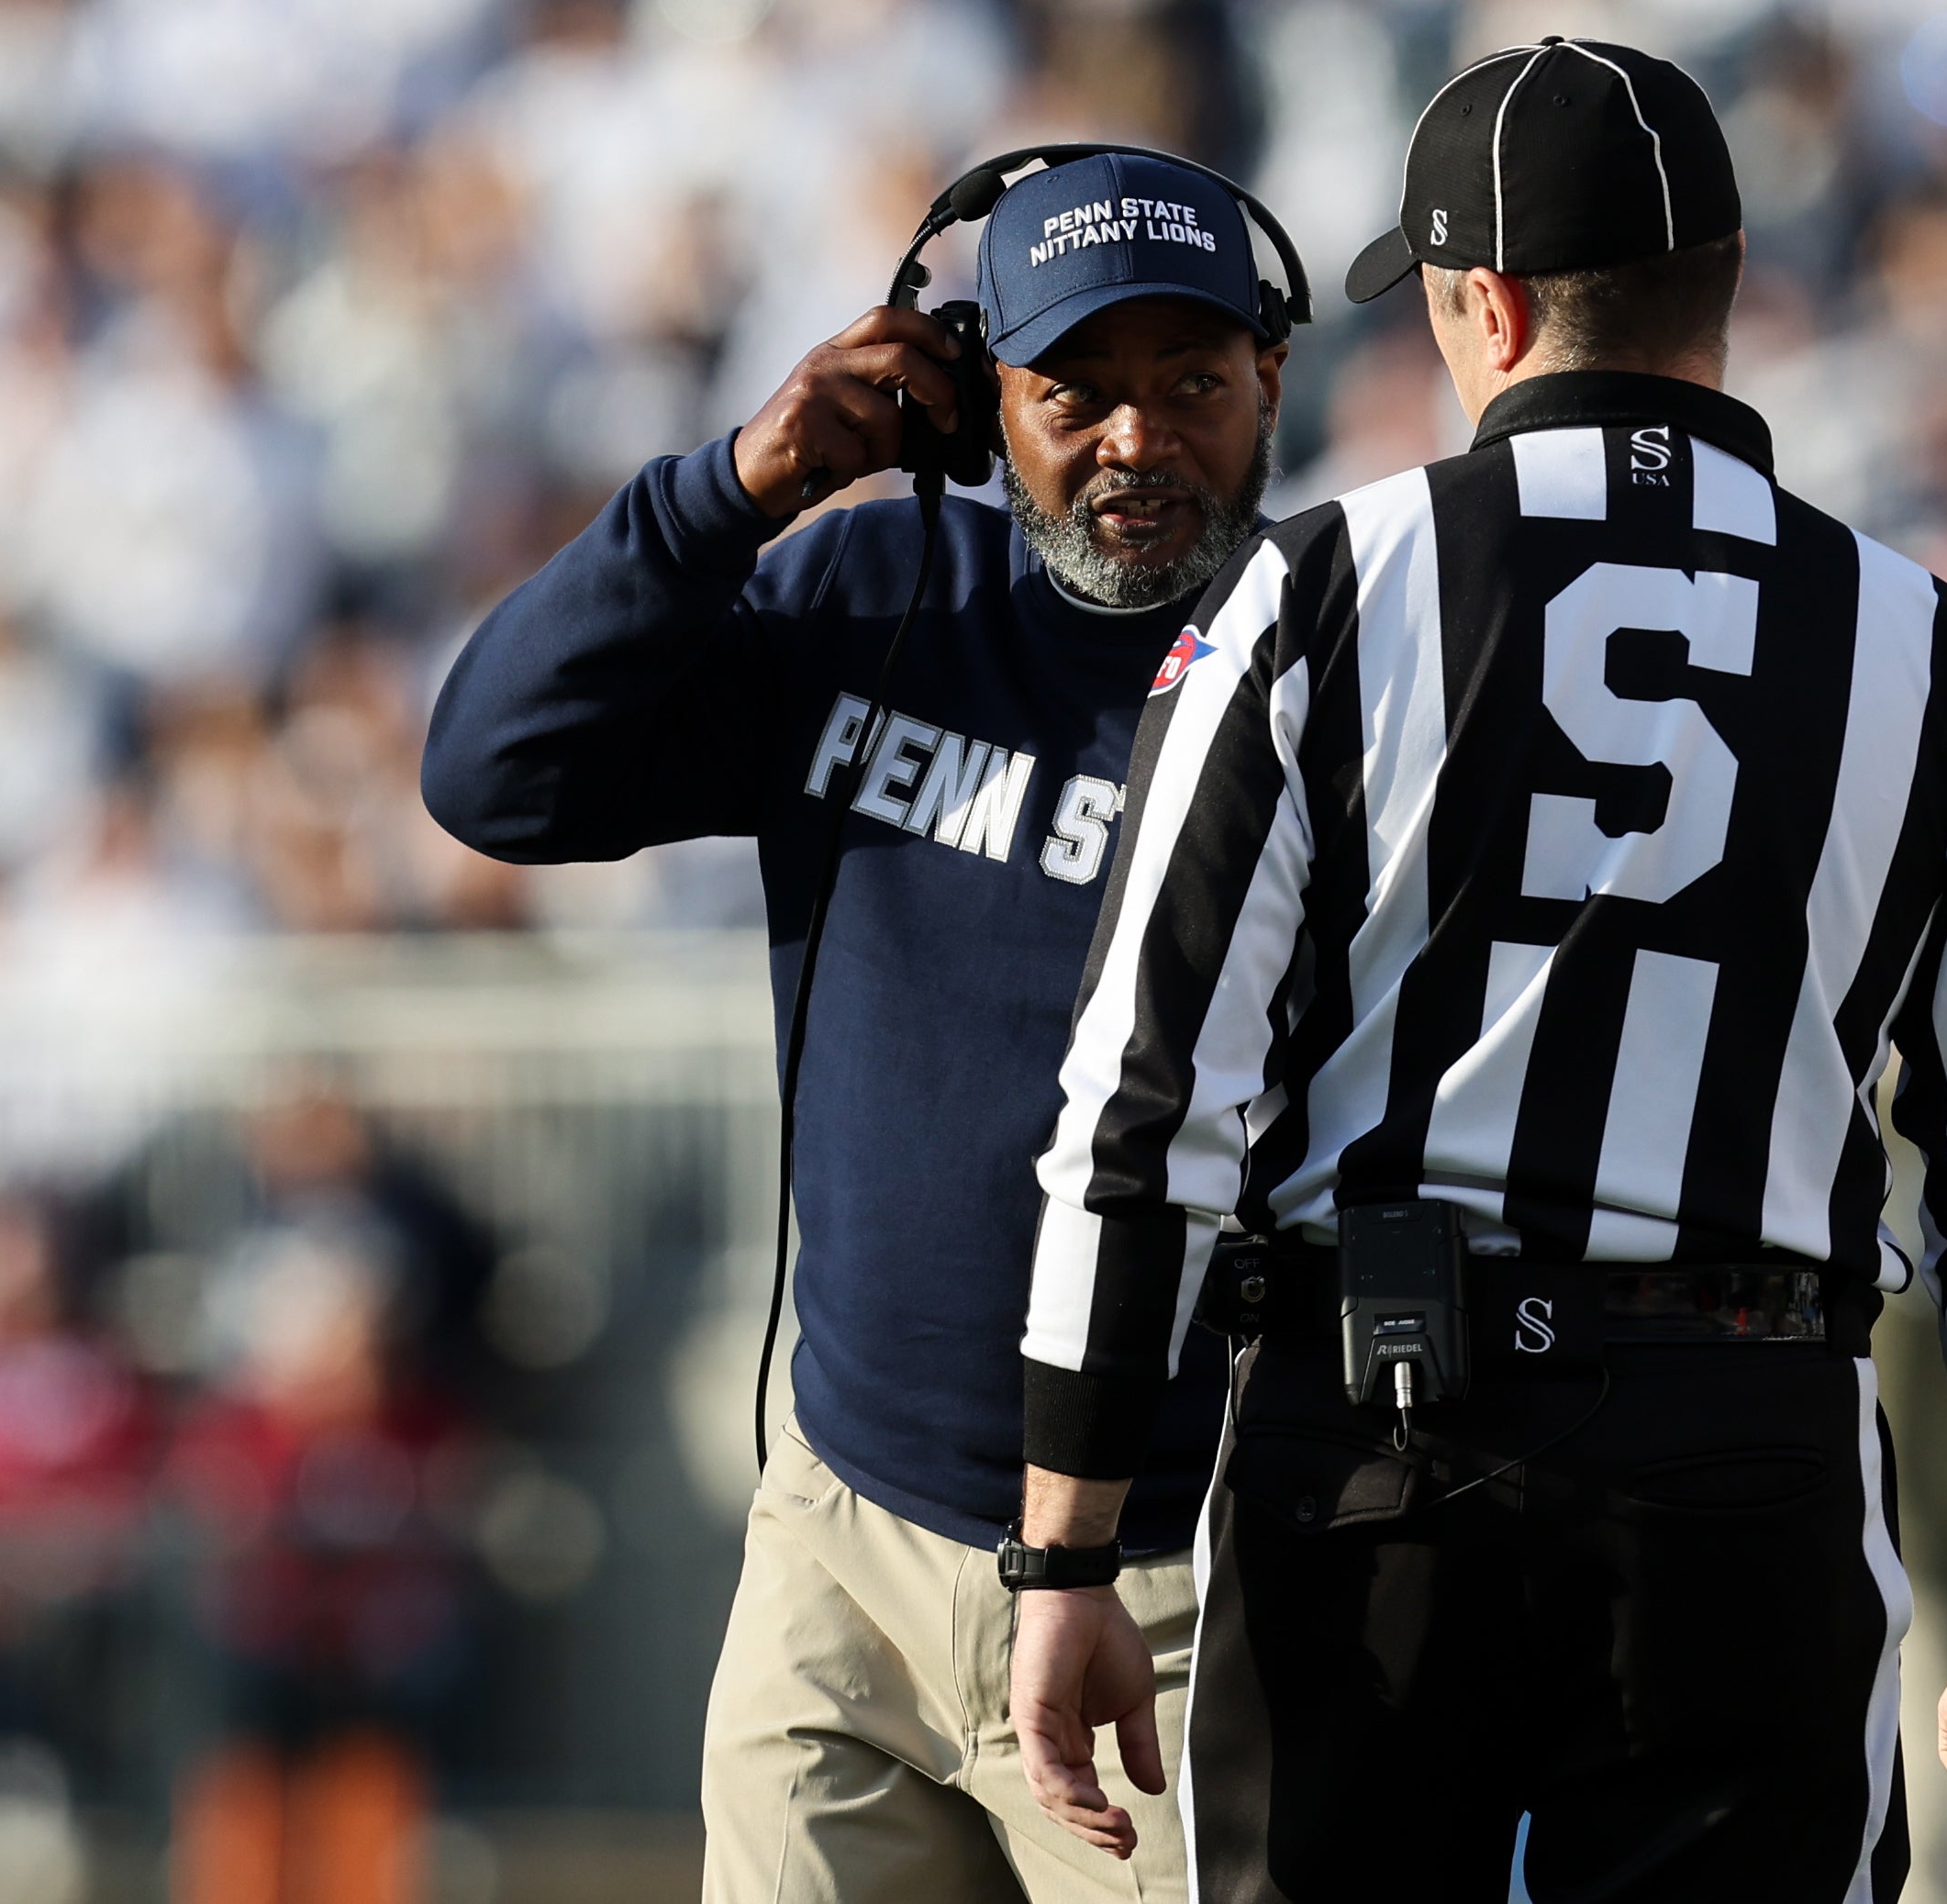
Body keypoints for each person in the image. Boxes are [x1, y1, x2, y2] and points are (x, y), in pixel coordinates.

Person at [1002, 40, 1947, 1901]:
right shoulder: (1936, 652)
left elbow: (1144, 1100)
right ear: (1727, 284)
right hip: (1746, 1439)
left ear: (1485, 305)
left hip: (1372, 1442)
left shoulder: (1318, 587)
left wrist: (1066, 1549)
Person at [420, 148, 1298, 1901]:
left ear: (1271, 378)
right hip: (842, 1534)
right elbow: (496, 776)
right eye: (1075, 394)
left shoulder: (1332, 669)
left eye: (1189, 385)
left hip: (1174, 1579)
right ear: (975, 396)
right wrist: (733, 491)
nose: (1137, 443)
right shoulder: (871, 600)